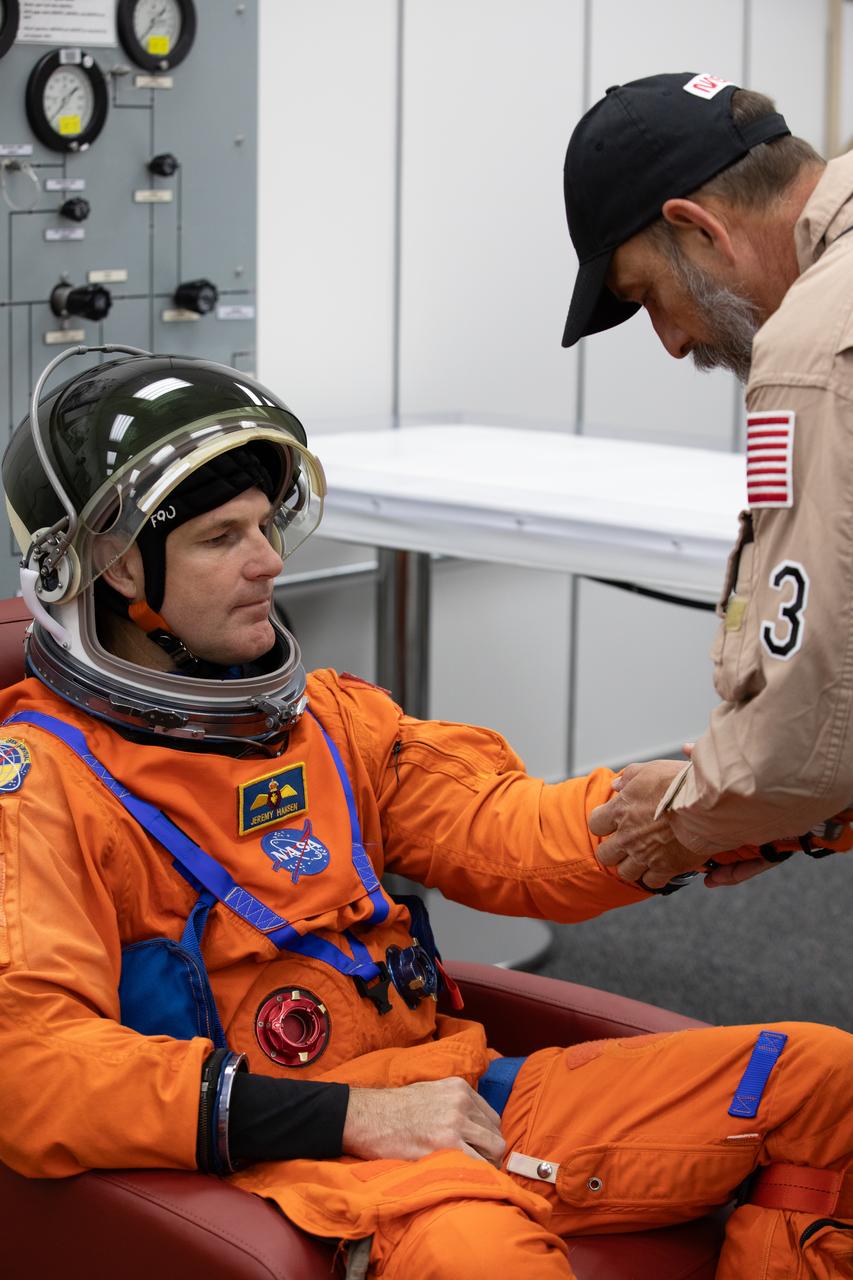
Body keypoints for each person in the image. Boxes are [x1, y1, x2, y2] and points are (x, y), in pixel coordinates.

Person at [0, 349, 851, 1280]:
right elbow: (35, 1069)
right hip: (306, 1154)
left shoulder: (332, 723)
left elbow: (509, 834)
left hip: (453, 1092)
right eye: (219, 538)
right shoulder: (45, 786)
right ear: (117, 567)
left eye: (265, 526)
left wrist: (710, 809)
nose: (269, 562)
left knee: (822, 1082)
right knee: (483, 1258)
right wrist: (348, 1118)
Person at [560, 71, 853, 892]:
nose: (671, 342)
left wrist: (689, 817)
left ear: (695, 228)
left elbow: (814, 705)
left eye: (648, 296)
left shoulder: (808, 350)